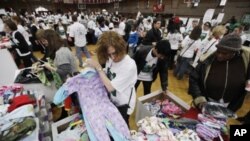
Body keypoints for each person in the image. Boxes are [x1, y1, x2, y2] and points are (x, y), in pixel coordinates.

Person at [86, 31, 137, 126]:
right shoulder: (110, 58)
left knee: (123, 126)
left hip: (124, 103)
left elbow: (110, 87)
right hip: (113, 100)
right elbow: (109, 71)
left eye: (114, 53)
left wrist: (98, 68)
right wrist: (97, 70)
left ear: (121, 48)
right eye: (109, 54)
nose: (112, 57)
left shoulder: (129, 65)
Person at [189, 34, 250, 112]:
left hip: (228, 105)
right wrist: (200, 100)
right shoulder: (207, 59)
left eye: (225, 53)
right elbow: (194, 79)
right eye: (218, 51)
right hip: (206, 101)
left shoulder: (246, 60)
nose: (220, 55)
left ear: (235, 52)